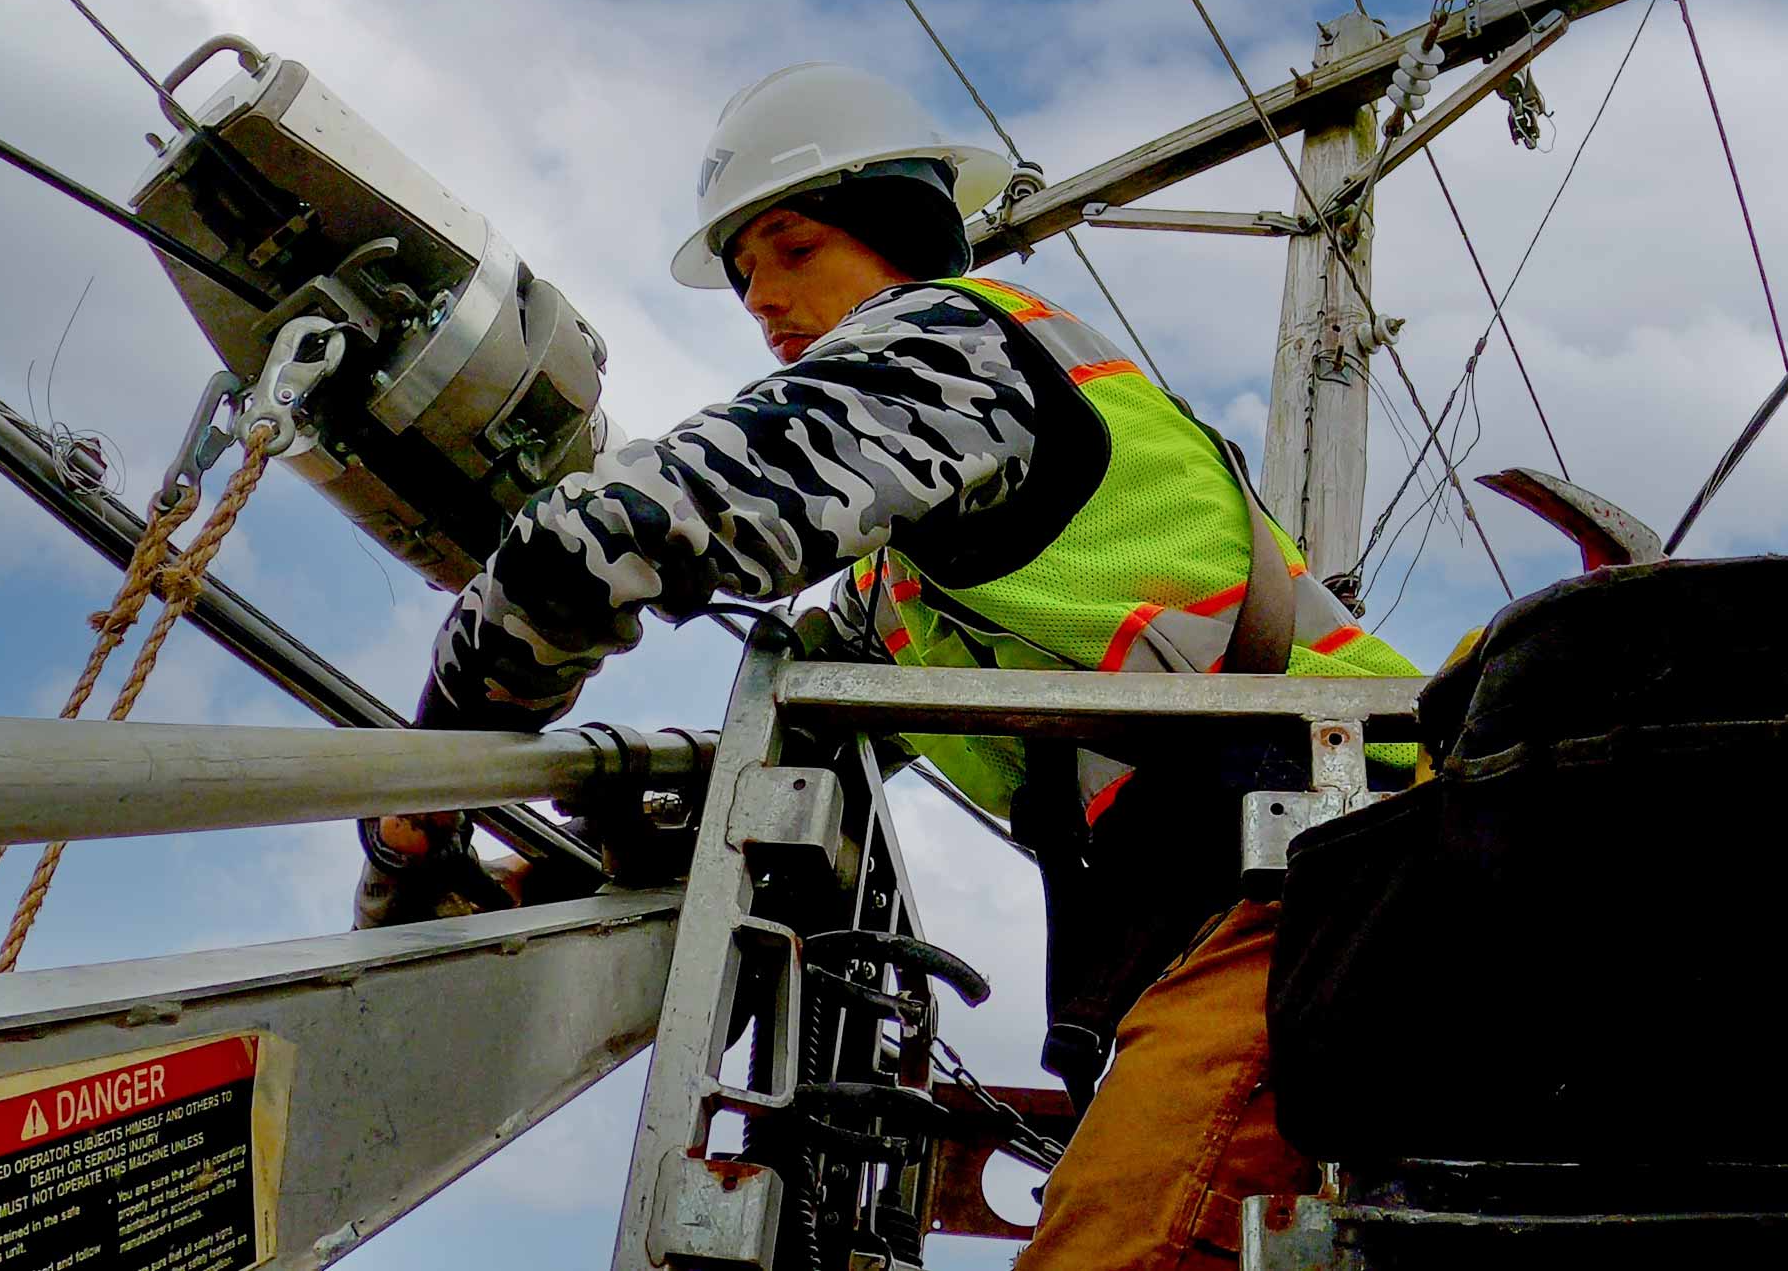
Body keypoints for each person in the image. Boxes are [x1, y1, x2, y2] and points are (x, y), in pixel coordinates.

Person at [357, 62, 1421, 1267]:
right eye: (745, 274)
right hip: (1267, 902)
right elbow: (779, 768)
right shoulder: (905, 592)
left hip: (1339, 865)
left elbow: (600, 541)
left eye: (792, 247)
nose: (762, 299)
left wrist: (416, 796)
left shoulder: (959, 342)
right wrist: (558, 871)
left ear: (898, 231)